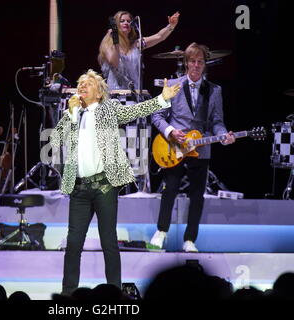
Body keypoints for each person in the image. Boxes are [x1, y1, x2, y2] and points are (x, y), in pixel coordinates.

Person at [50, 69, 180, 295]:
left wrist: (162, 99)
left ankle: (114, 293)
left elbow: (136, 110)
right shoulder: (72, 114)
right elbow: (54, 139)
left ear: (99, 93)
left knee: (109, 243)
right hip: (79, 189)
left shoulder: (107, 109)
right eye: (80, 83)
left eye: (88, 83)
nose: (82, 86)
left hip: (104, 186)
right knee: (73, 245)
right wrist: (70, 115)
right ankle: (68, 294)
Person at [151, 42, 236, 253]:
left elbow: (217, 121)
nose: (196, 65)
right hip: (174, 147)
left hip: (201, 147)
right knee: (169, 189)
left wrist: (223, 135)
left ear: (205, 64)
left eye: (200, 62)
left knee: (197, 195)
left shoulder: (214, 91)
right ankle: (161, 232)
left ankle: (190, 239)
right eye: (192, 61)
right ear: (186, 63)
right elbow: (157, 115)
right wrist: (171, 131)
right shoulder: (173, 85)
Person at [98, 10, 180, 90]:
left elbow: (159, 36)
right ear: (115, 25)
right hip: (115, 94)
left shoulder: (136, 44)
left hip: (135, 93)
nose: (126, 23)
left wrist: (171, 25)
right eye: (122, 21)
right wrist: (116, 42)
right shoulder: (108, 43)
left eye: (128, 21)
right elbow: (115, 63)